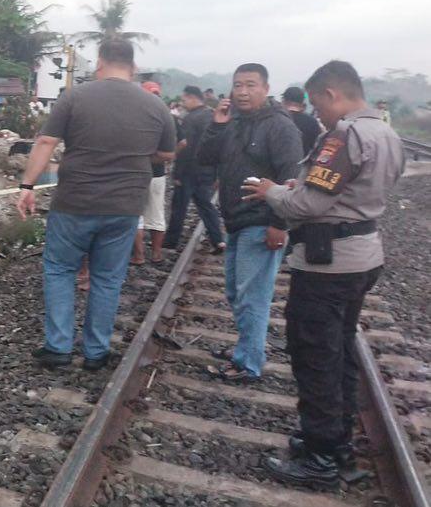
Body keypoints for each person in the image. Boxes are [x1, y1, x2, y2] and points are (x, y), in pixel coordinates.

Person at [243, 61, 404, 488]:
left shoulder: (345, 136)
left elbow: (305, 208)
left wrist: (271, 191)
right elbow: (352, 191)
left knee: (316, 355)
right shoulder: (387, 133)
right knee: (341, 351)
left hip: (328, 264)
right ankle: (336, 441)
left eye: (318, 105)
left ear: (332, 94)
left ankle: (319, 459)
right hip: (364, 256)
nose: (318, 116)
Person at [17, 38, 175, 371]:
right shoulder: (156, 106)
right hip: (125, 207)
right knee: (107, 278)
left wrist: (27, 186)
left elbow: (46, 141)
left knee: (60, 271)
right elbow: (166, 153)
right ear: (133, 68)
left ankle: (58, 348)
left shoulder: (75, 97)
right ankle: (96, 351)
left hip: (74, 203)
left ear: (100, 62)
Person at [196, 63, 303, 382]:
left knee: (252, 295)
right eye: (238, 85)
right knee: (235, 292)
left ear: (266, 88)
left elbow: (291, 181)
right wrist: (216, 124)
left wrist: (279, 225)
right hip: (238, 221)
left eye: (250, 85)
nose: (242, 91)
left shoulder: (281, 127)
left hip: (262, 221)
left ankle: (249, 364)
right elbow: (204, 157)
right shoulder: (234, 122)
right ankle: (246, 349)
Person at [164, 86, 225, 253]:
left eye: (184, 100)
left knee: (179, 207)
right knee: (206, 205)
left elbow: (187, 148)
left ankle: (170, 242)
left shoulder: (192, 119)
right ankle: (218, 240)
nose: (183, 104)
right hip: (208, 170)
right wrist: (218, 172)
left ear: (192, 98)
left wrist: (177, 173)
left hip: (189, 171)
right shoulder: (213, 115)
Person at [132, 81, 169, 264]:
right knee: (156, 214)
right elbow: (177, 146)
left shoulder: (134, 117)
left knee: (136, 214)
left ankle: (138, 256)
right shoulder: (166, 116)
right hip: (157, 174)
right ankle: (156, 253)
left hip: (136, 172)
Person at [282, 86, 323, 154]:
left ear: (284, 100)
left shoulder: (277, 120)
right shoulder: (312, 122)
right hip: (305, 162)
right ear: (302, 101)